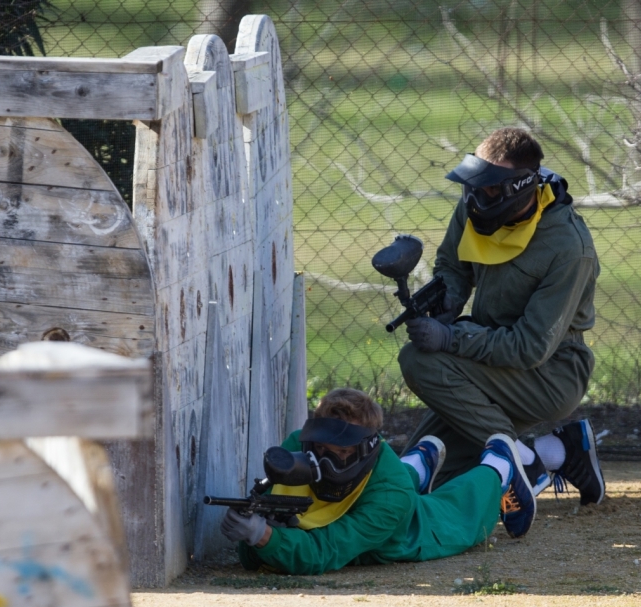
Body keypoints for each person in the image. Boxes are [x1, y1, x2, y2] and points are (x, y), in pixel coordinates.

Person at [399, 127, 605, 505]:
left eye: (490, 188)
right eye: (474, 185)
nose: (476, 196)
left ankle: (522, 463)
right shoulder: (476, 206)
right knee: (425, 482)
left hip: (548, 375)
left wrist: (450, 337)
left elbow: (531, 347)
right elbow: (453, 265)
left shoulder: (568, 248)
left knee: (418, 361)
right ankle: (558, 451)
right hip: (489, 362)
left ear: (519, 187)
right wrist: (448, 298)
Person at [220, 388, 539, 576]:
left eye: (341, 452)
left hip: (399, 531)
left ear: (365, 450)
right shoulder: (298, 446)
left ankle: (499, 465)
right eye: (321, 448)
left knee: (458, 512)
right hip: (384, 483)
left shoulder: (391, 498)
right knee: (394, 481)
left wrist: (263, 537)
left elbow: (326, 550)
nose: (324, 460)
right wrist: (251, 532)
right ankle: (418, 464)